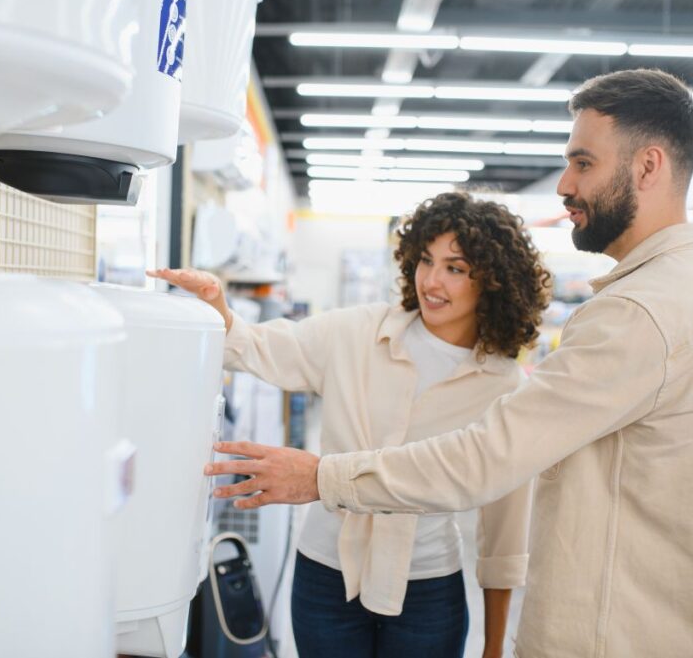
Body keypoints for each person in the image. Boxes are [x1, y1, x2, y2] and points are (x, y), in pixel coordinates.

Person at [204, 68, 693, 658]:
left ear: (647, 166)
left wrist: (321, 476)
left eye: (583, 163)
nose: (563, 184)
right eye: (427, 262)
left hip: (614, 634)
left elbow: (486, 461)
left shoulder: (636, 314)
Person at [149, 191, 552, 658]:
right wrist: (216, 306)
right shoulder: (358, 332)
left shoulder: (500, 384)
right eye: (426, 260)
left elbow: (504, 531)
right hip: (325, 576)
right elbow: (254, 346)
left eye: (455, 268)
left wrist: (495, 646)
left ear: (494, 282)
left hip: (426, 591)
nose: (432, 280)